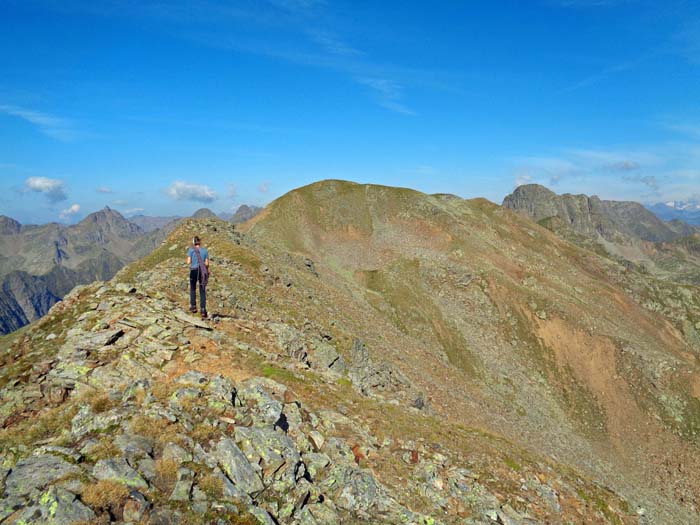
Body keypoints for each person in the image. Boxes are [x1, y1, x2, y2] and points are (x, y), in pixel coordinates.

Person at [187, 236, 210, 318]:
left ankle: (193, 307)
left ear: (193, 242)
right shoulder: (205, 251)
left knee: (193, 288)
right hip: (202, 271)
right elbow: (207, 264)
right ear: (200, 242)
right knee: (202, 290)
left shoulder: (191, 250)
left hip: (193, 270)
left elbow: (188, 262)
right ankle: (203, 309)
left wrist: (193, 260)